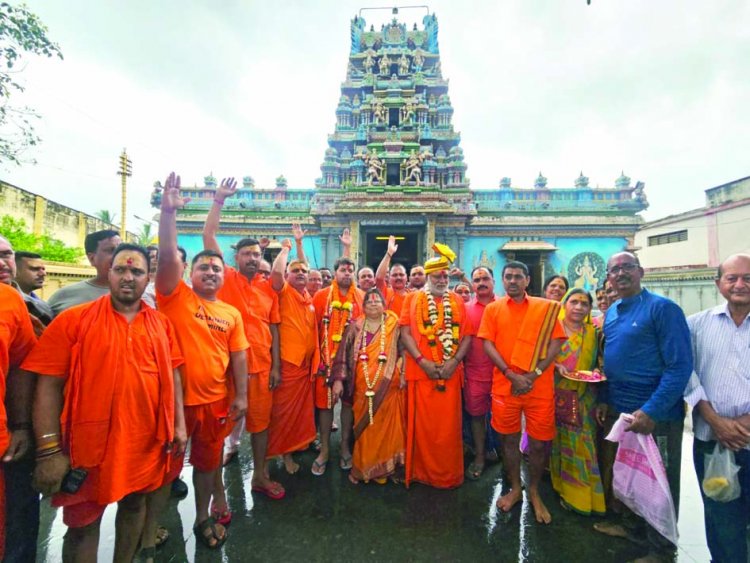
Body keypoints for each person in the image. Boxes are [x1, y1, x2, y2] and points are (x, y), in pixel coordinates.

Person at [22, 244, 185, 562]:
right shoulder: (74, 321)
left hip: (144, 440)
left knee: (136, 504)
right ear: (107, 273)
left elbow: (174, 375)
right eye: (120, 270)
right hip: (88, 447)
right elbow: (48, 386)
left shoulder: (161, 325)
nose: (128, 278)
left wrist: (178, 425)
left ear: (147, 277)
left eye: (136, 271)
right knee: (83, 526)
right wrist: (49, 450)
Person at [148, 172, 249, 552]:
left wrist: (241, 397)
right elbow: (169, 252)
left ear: (225, 276)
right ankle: (149, 527)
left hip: (213, 401)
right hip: (172, 402)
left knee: (208, 465)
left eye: (216, 268)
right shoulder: (174, 295)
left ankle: (202, 517)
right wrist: (168, 213)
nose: (210, 271)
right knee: (165, 469)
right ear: (190, 274)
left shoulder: (230, 312)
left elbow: (238, 357)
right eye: (204, 267)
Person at [594, 252, 692, 561]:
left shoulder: (663, 310)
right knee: (629, 474)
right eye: (614, 270)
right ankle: (632, 528)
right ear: (608, 277)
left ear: (641, 271)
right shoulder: (612, 313)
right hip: (621, 410)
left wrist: (652, 409)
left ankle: (662, 548)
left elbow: (680, 366)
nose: (621, 273)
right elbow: (611, 361)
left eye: (627, 267)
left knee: (659, 481)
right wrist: (605, 399)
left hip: (656, 414)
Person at [203, 178, 284, 500]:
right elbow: (208, 237)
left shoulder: (268, 288)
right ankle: (218, 494)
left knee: (261, 427)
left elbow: (274, 329)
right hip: (227, 369)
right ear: (236, 258)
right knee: (220, 429)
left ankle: (260, 476)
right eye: (247, 253)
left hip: (262, 368)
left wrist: (276, 366)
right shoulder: (226, 280)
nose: (252, 258)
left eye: (257, 253)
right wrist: (219, 200)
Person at [478, 260, 566, 524]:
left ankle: (535, 490)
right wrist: (510, 374)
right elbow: (487, 344)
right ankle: (516, 487)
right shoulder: (493, 309)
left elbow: (556, 343)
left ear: (527, 280)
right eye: (508, 277)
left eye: (518, 276)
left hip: (538, 386)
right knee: (508, 441)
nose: (513, 281)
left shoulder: (545, 309)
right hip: (506, 386)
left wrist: (533, 374)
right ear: (502, 281)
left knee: (539, 443)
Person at [684, 253, 750, 563]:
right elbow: (685, 372)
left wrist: (744, 422)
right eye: (732, 278)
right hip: (711, 438)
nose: (740, 284)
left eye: (747, 278)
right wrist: (715, 420)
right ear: (718, 283)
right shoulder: (696, 325)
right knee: (719, 512)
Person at [400, 243, 473, 488]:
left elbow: (466, 336)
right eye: (437, 276)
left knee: (448, 430)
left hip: (450, 374)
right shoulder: (411, 299)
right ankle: (421, 473)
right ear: (428, 278)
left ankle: (446, 476)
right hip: (421, 372)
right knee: (423, 429)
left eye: (445, 275)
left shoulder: (457, 301)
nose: (442, 279)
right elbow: (406, 333)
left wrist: (453, 362)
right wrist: (423, 362)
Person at [331, 288, 406, 484]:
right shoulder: (355, 327)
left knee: (389, 428)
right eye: (369, 301)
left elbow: (404, 350)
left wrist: (400, 372)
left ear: (384, 305)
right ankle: (366, 468)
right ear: (363, 307)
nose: (373, 303)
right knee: (366, 428)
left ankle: (387, 468)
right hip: (361, 389)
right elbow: (341, 356)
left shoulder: (394, 324)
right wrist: (338, 381)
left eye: (377, 301)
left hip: (389, 388)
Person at [550, 289, 606, 516]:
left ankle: (583, 496)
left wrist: (597, 369)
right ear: (565, 304)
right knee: (560, 443)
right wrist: (555, 365)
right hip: (558, 395)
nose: (579, 307)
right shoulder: (553, 328)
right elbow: (539, 355)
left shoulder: (594, 332)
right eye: (574, 302)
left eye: (584, 303)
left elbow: (602, 359)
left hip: (586, 396)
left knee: (583, 445)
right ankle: (562, 487)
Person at [267, 234, 318, 474]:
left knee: (298, 415)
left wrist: (300, 246)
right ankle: (284, 455)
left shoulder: (307, 297)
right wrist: (286, 248)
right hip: (287, 364)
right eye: (295, 271)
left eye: (303, 273)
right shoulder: (284, 291)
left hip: (304, 366)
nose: (300, 274)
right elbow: (276, 274)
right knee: (284, 415)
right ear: (288, 275)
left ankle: (295, 446)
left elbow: (304, 265)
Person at [311, 257, 364, 475]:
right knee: (325, 407)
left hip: (352, 363)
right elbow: (313, 329)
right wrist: (319, 360)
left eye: (351, 270)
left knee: (349, 405)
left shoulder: (360, 297)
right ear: (335, 272)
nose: (347, 273)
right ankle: (324, 450)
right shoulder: (322, 296)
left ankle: (344, 447)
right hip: (326, 360)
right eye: (343, 269)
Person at [0, 278, 38, 562]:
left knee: (15, 537)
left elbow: (22, 366)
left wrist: (23, 424)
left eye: (6, 255)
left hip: (8, 445)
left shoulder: (10, 300)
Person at [463, 267, 497, 480]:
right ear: (472, 284)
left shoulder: (505, 305)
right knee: (476, 417)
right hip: (474, 372)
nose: (481, 282)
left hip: (504, 374)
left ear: (494, 281)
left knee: (504, 419)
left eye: (485, 279)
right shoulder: (465, 308)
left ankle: (504, 456)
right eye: (477, 279)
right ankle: (480, 456)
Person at [47, 229, 121, 316]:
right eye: (111, 250)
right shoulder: (64, 296)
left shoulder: (139, 294)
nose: (119, 255)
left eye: (120, 249)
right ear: (92, 258)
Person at [375, 236, 411, 316]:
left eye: (401, 275)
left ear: (407, 278)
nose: (398, 277)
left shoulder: (413, 295)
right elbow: (379, 278)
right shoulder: (385, 292)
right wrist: (389, 253)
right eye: (395, 275)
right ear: (389, 278)